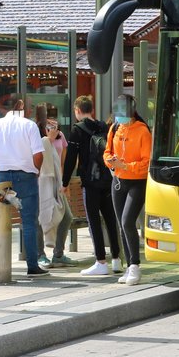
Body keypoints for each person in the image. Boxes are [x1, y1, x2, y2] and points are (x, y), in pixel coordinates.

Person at [0, 94, 48, 276]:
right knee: (29, 222)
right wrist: (35, 170)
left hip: (2, 179)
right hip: (26, 178)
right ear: (20, 105)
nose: (30, 111)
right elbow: (39, 155)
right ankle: (32, 266)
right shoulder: (29, 126)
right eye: (29, 107)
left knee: (0, 221)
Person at [63, 95, 123, 276]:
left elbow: (71, 159)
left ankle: (100, 261)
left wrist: (64, 182)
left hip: (90, 182)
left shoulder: (77, 130)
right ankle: (117, 260)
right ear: (92, 110)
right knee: (111, 219)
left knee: (94, 221)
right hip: (107, 179)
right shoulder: (104, 126)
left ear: (77, 111)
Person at [106, 95, 151, 286]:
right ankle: (128, 266)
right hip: (118, 181)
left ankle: (135, 265)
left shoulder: (142, 131)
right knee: (122, 224)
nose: (119, 114)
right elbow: (107, 151)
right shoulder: (115, 128)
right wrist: (110, 162)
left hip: (137, 182)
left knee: (127, 221)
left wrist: (126, 166)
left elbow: (146, 161)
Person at [34, 106, 75, 266]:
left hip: (57, 180)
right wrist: (48, 139)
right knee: (39, 217)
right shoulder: (36, 135)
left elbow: (63, 160)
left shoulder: (60, 136)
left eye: (52, 117)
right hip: (41, 181)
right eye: (47, 118)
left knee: (67, 216)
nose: (51, 122)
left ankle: (58, 254)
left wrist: (65, 183)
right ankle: (40, 254)